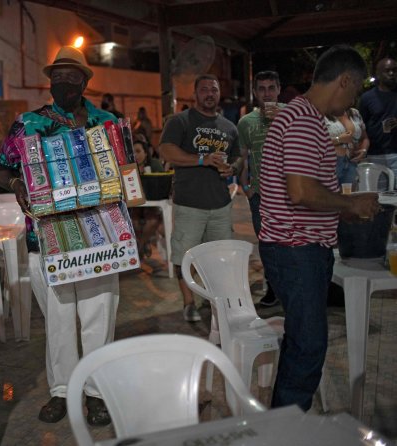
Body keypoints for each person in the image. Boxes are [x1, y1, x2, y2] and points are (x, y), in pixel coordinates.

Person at [0, 46, 118, 426]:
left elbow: (125, 167)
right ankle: (63, 391)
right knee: (60, 322)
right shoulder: (28, 123)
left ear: (84, 82)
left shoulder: (106, 122)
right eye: (56, 76)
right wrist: (16, 182)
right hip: (46, 237)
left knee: (99, 318)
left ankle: (97, 393)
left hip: (99, 235)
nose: (62, 82)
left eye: (70, 76)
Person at [258, 45, 380, 411]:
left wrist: (341, 212)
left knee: (302, 342)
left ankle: (287, 423)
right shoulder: (302, 120)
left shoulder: (303, 116)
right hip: (295, 250)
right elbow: (300, 191)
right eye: (355, 90)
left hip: (300, 247)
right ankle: (285, 428)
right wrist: (349, 204)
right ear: (344, 80)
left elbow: (305, 189)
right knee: (309, 344)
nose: (351, 100)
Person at [159, 74, 241, 322]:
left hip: (220, 204)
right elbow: (167, 151)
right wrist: (203, 160)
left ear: (219, 94)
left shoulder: (229, 127)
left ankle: (214, 299)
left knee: (221, 257)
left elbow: (238, 157)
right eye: (204, 89)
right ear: (195, 94)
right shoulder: (180, 121)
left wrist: (233, 168)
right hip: (189, 204)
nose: (209, 94)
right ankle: (188, 303)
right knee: (185, 257)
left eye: (214, 90)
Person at [237, 70, 286, 307]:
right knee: (266, 245)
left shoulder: (293, 114)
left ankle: (293, 287)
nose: (267, 93)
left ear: (279, 89)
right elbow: (243, 157)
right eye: (262, 89)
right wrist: (246, 188)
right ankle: (273, 288)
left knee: (291, 243)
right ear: (255, 92)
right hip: (260, 195)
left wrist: (282, 119)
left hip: (290, 194)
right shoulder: (246, 122)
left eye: (271, 88)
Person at [359, 57, 397, 184]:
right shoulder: (367, 98)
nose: (392, 74)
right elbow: (361, 126)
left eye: (394, 71)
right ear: (378, 74)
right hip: (374, 154)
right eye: (387, 71)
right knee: (377, 194)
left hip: (395, 153)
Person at [129, 136, 165, 259]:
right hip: (135, 205)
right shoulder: (128, 168)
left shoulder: (154, 164)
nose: (135, 155)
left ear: (145, 152)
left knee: (152, 221)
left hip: (153, 204)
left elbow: (162, 183)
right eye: (132, 152)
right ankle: (143, 244)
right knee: (134, 221)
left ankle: (140, 246)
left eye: (138, 151)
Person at [325, 107, 369, 185]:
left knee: (349, 195)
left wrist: (364, 150)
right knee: (330, 195)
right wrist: (339, 139)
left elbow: (364, 138)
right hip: (331, 163)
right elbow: (314, 142)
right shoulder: (322, 112)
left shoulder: (354, 112)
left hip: (352, 162)